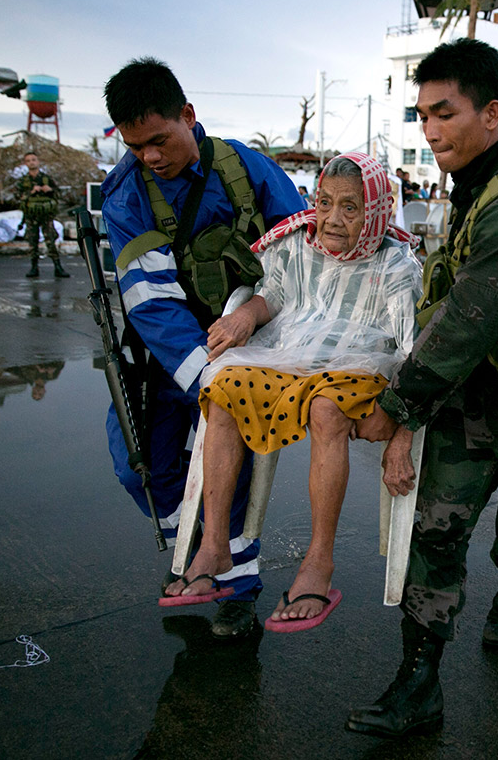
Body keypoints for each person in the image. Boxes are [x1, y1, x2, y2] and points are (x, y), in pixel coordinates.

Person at [345, 38, 498, 738]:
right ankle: (418, 686)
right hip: (469, 402)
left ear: (491, 112)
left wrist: (395, 407)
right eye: (423, 114)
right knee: (436, 532)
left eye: (445, 113)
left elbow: (466, 321)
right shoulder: (473, 186)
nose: (430, 131)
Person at [163, 153, 422, 632]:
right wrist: (246, 314)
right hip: (291, 351)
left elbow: (410, 350)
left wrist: (403, 434)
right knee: (223, 388)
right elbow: (274, 296)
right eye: (324, 202)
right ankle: (215, 544)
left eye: (350, 207)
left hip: (361, 361)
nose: (331, 218)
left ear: (376, 210)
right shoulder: (296, 244)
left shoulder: (395, 264)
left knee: (326, 409)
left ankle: (318, 563)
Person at [101, 57, 304, 638]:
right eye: (137, 147)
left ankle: (237, 583)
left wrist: (252, 320)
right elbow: (152, 301)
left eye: (160, 140)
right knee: (137, 463)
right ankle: (194, 547)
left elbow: (301, 263)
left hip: (255, 341)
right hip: (170, 354)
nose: (152, 158)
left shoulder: (249, 170)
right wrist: (202, 379)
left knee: (228, 461)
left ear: (188, 115)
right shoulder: (125, 197)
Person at [16, 152, 69, 279]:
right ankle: (34, 267)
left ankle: (58, 267)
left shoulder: (47, 179)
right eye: (28, 160)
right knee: (32, 242)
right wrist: (31, 192)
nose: (31, 162)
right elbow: (17, 196)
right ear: (25, 164)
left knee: (50, 241)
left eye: (34, 159)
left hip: (46, 216)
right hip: (31, 216)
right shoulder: (23, 181)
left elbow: (59, 194)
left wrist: (50, 190)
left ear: (38, 161)